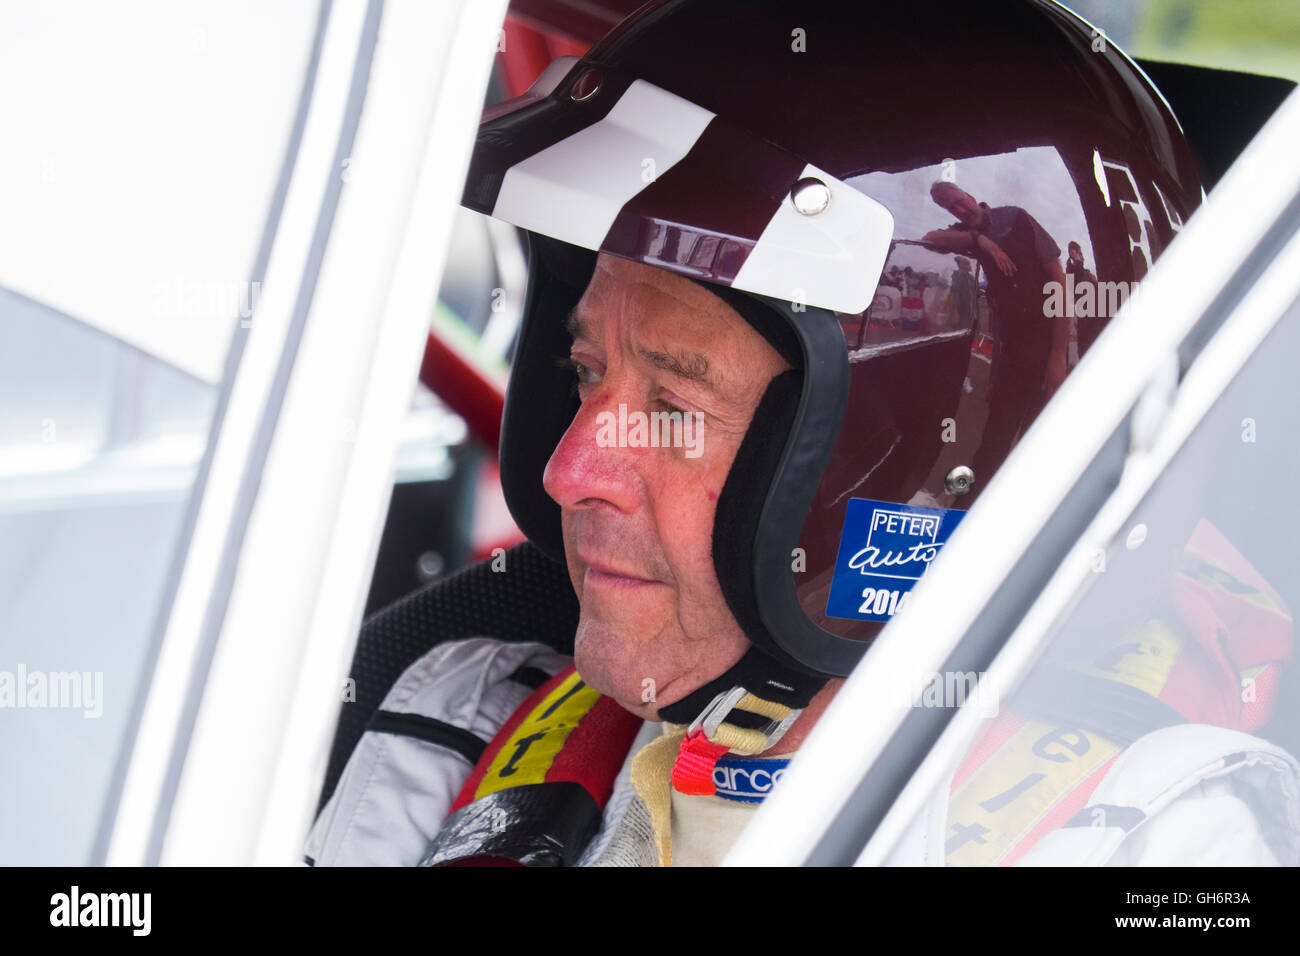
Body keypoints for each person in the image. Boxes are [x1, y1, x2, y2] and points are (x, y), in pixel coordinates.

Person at [307, 0, 1297, 866]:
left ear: (910, 459)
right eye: (584, 372)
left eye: (673, 404)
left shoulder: (1158, 836)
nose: (571, 470)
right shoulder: (453, 724)